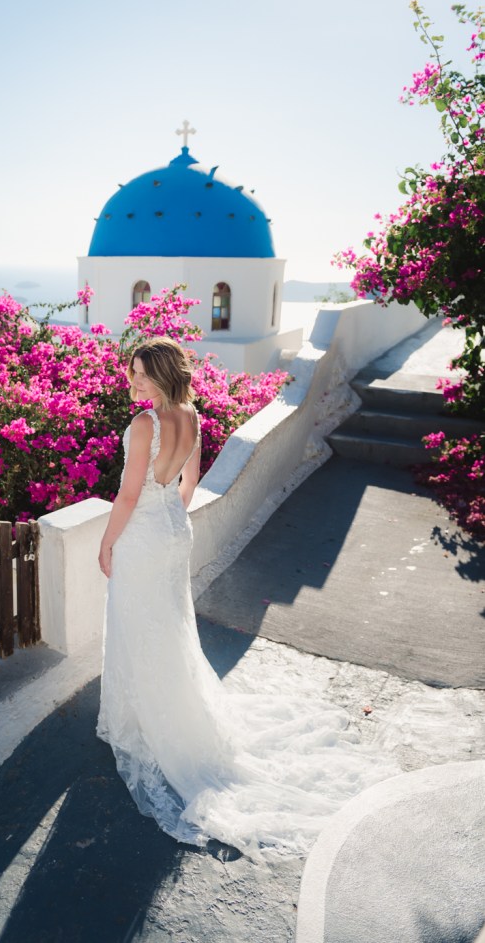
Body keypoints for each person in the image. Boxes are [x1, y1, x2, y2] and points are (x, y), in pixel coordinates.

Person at [97, 336, 394, 858]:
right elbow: (188, 485)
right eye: (133, 372)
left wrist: (107, 542)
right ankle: (164, 713)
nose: (134, 381)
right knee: (166, 626)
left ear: (164, 374)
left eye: (143, 373)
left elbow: (125, 494)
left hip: (144, 538)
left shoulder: (144, 425)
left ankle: (146, 721)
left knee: (138, 624)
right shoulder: (191, 417)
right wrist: (166, 517)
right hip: (171, 532)